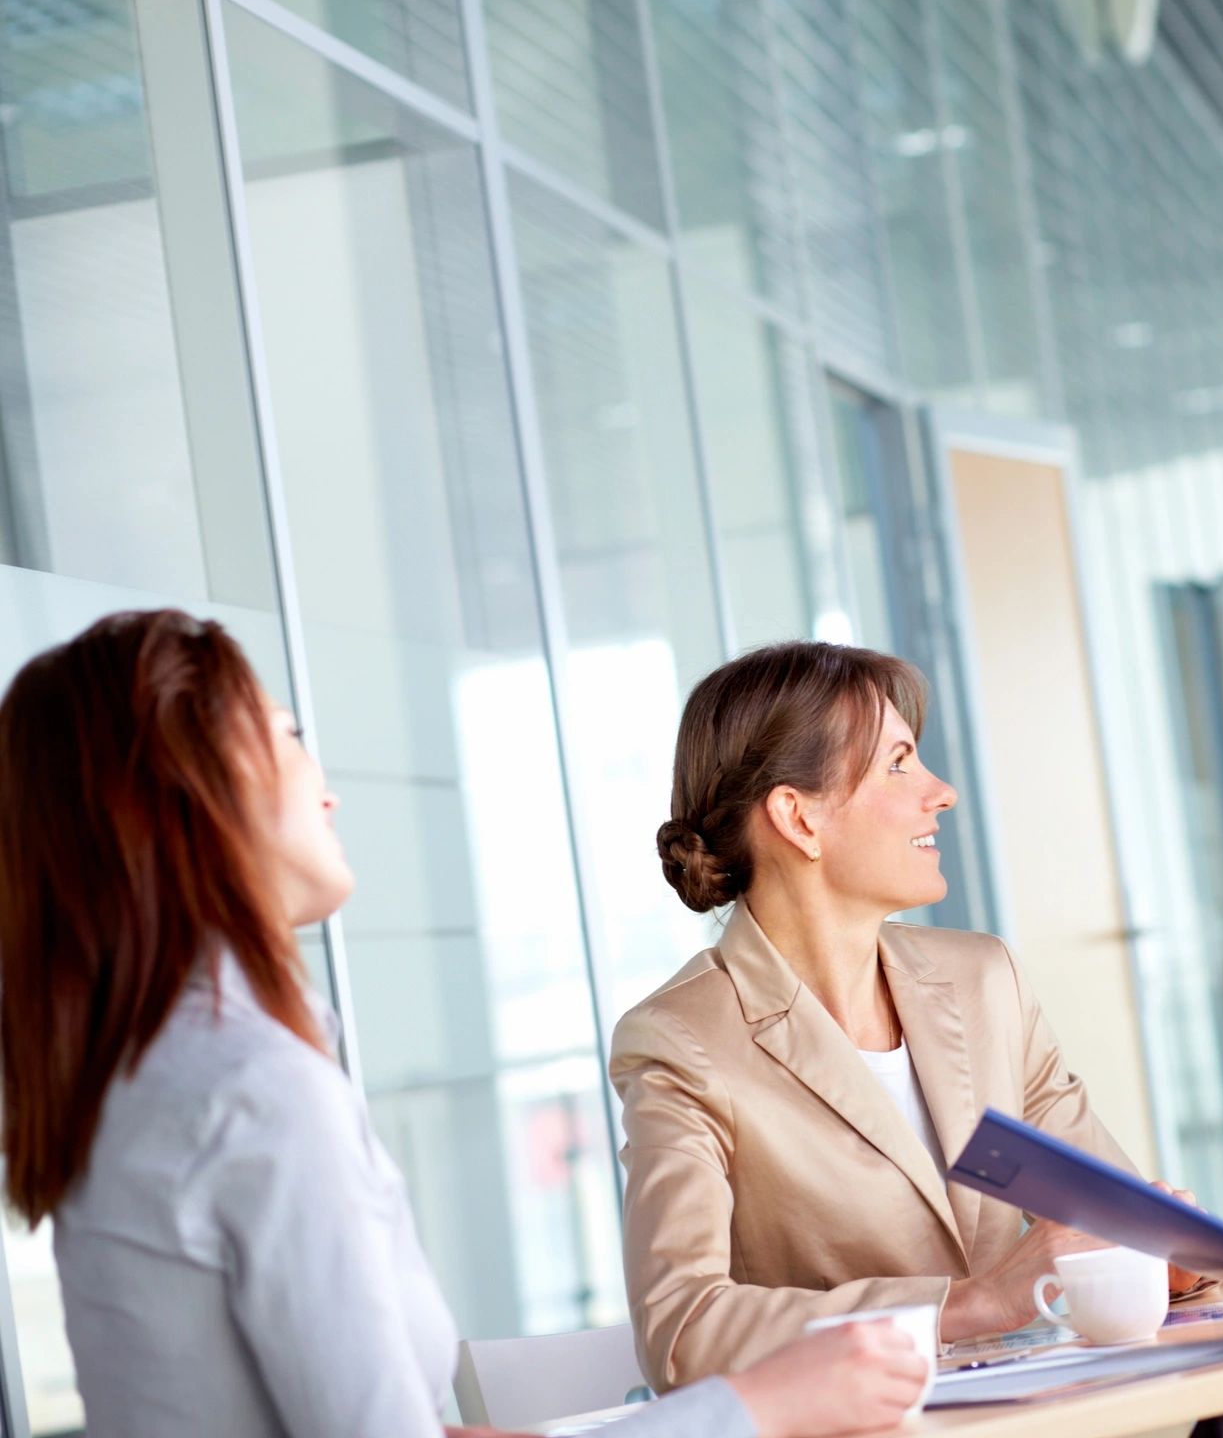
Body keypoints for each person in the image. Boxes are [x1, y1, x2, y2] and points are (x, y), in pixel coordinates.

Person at [0, 611, 929, 1438]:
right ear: (187, 790)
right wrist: (762, 1406)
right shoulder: (251, 1090)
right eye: (287, 737)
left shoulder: (151, 1073)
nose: (325, 786)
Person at [615, 642, 1203, 1391]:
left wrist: (1163, 1249)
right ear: (798, 818)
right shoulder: (681, 1043)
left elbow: (1100, 1216)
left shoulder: (983, 979)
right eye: (899, 763)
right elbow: (683, 1330)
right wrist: (976, 1302)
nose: (942, 791)